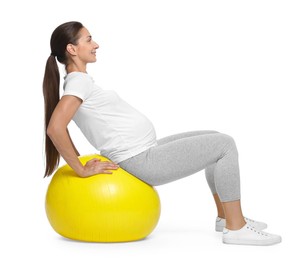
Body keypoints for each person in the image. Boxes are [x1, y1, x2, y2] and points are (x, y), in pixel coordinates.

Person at [43, 21, 281, 246]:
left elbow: (60, 126)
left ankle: (226, 217)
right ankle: (236, 229)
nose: (96, 45)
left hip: (147, 149)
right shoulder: (78, 83)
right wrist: (81, 168)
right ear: (72, 49)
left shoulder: (80, 81)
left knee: (214, 136)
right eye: (89, 39)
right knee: (224, 145)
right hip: (140, 159)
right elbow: (55, 127)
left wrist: (79, 162)